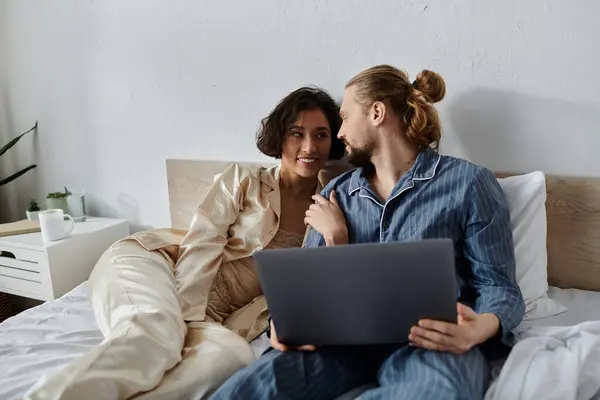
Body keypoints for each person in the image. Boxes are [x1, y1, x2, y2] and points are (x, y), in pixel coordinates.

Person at [209, 65, 526, 400]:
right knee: (248, 388)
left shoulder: (468, 183)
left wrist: (480, 328)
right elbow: (304, 288)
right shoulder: (337, 193)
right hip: (336, 345)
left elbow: (499, 286)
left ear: (377, 112)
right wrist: (279, 328)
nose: (340, 132)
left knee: (434, 393)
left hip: (432, 342)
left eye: (344, 117)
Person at [24, 87, 346, 400]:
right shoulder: (244, 179)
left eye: (321, 134)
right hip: (158, 267)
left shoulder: (332, 204)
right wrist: (187, 321)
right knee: (155, 335)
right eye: (297, 133)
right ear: (280, 136)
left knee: (233, 357)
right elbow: (202, 241)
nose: (309, 146)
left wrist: (336, 238)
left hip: (219, 321)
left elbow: (319, 285)